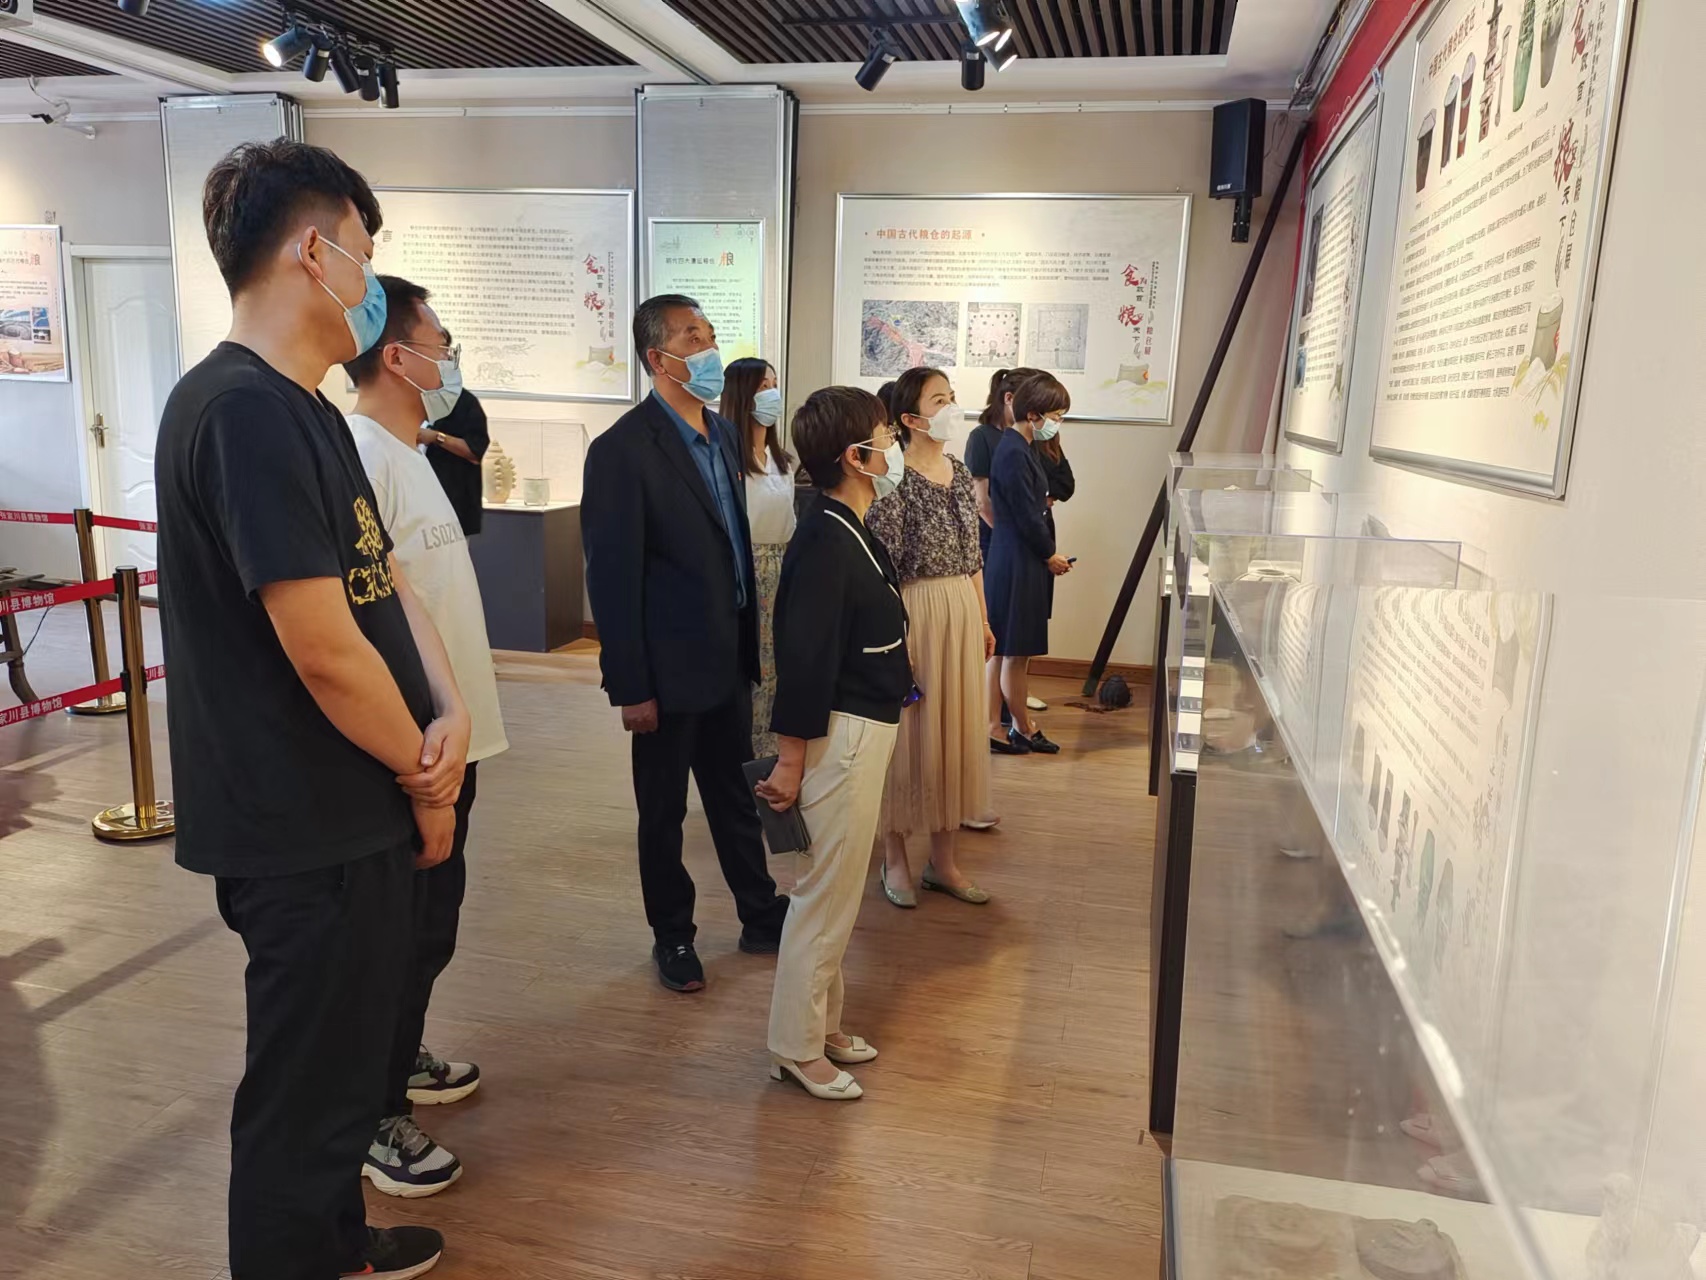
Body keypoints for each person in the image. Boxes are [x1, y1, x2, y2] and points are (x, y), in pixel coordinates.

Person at [156, 140, 464, 1280]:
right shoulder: (240, 411)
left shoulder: (303, 410)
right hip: (304, 825)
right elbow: (326, 650)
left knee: (338, 1077)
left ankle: (337, 1244)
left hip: (347, 812)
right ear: (311, 251)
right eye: (362, 254)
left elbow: (382, 583)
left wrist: (446, 706)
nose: (369, 282)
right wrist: (427, 776)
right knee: (303, 1094)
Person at [346, 275, 509, 1199]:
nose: (450, 360)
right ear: (397, 356)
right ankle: (373, 1114)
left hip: (452, 742)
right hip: (417, 755)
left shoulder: (408, 452)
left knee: (429, 926)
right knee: (401, 933)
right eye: (441, 343)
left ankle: (397, 1055)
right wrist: (417, 765)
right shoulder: (360, 456)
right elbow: (363, 630)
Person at [582, 295, 790, 994]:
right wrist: (631, 685)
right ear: (657, 358)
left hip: (727, 656)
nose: (708, 349)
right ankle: (673, 934)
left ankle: (760, 912)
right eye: (692, 338)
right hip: (665, 673)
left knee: (735, 795)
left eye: (710, 334)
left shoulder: (722, 433)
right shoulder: (621, 451)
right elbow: (611, 577)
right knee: (664, 812)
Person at [757, 386, 911, 1101]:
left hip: (864, 727)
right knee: (824, 895)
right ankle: (795, 1046)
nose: (893, 447)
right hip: (839, 736)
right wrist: (791, 760)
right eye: (885, 436)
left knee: (840, 890)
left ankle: (821, 1025)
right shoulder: (823, 538)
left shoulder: (848, 524)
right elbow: (805, 661)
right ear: (855, 456)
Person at [865, 367, 995, 908]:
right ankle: (894, 857)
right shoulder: (891, 477)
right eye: (939, 400)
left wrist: (983, 619)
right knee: (908, 737)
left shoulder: (959, 472)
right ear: (911, 418)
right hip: (913, 611)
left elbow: (973, 557)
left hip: (960, 608)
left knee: (955, 731)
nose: (951, 407)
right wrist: (894, 636)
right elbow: (884, 567)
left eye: (952, 397)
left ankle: (944, 861)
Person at [985, 372, 1073, 754]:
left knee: (1010, 653)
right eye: (1056, 415)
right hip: (1017, 560)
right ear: (1033, 414)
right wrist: (1049, 555)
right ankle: (1021, 726)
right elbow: (1026, 515)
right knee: (1014, 654)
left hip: (1018, 556)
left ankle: (1016, 726)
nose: (1058, 423)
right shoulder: (1013, 451)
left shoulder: (1024, 447)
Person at [964, 368, 1044, 754]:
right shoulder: (983, 438)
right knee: (996, 640)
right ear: (1011, 398)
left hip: (1017, 545)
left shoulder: (1024, 439)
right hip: (995, 544)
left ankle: (1012, 720)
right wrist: (1011, 536)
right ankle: (991, 724)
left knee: (1012, 642)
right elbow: (983, 501)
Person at [722, 356, 793, 760]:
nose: (772, 393)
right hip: (745, 571)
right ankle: (741, 755)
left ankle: (770, 754)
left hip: (781, 568)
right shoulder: (727, 456)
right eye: (763, 386)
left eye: (774, 384)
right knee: (752, 667)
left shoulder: (780, 459)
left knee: (777, 667)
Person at [422, 389, 489, 537]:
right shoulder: (408, 398)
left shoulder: (465, 402)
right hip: (416, 504)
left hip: (454, 507)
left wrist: (436, 437)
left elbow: (475, 452)